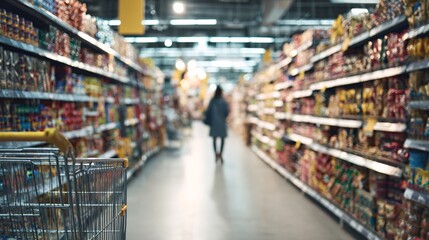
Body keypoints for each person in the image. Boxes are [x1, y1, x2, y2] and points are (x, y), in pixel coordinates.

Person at [205, 85, 229, 163]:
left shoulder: (212, 101)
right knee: (222, 139)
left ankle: (216, 154)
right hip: (222, 123)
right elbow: (227, 112)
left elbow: (208, 111)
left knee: (214, 139)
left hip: (214, 123)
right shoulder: (223, 101)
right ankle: (221, 154)